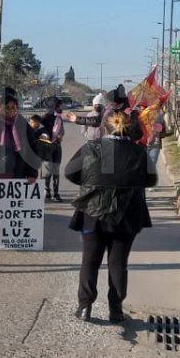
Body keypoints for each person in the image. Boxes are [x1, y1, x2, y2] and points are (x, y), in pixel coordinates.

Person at [65, 111, 157, 323]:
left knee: (90, 260)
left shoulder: (90, 147)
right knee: (118, 263)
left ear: (104, 127)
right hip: (126, 215)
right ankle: (115, 311)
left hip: (92, 214)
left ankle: (85, 307)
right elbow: (150, 180)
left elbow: (70, 172)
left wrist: (91, 181)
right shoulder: (138, 152)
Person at [39, 97, 66, 202]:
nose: (61, 107)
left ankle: (56, 192)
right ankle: (47, 190)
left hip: (57, 146)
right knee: (48, 170)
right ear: (53, 106)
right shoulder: (45, 118)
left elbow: (62, 131)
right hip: (47, 147)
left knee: (56, 170)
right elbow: (39, 131)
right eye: (59, 105)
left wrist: (60, 135)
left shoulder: (59, 118)